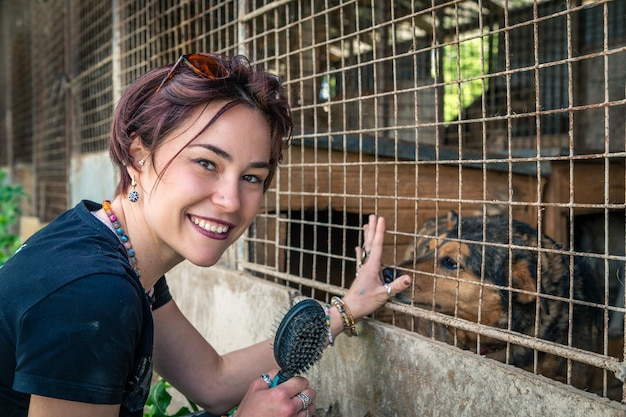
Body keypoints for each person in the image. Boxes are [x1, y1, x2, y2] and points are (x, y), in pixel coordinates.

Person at [0, 53, 412, 417]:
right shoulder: (92, 292)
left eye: (252, 176)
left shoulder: (114, 246)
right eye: (206, 163)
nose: (231, 200)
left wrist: (347, 308)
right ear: (139, 154)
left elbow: (212, 382)